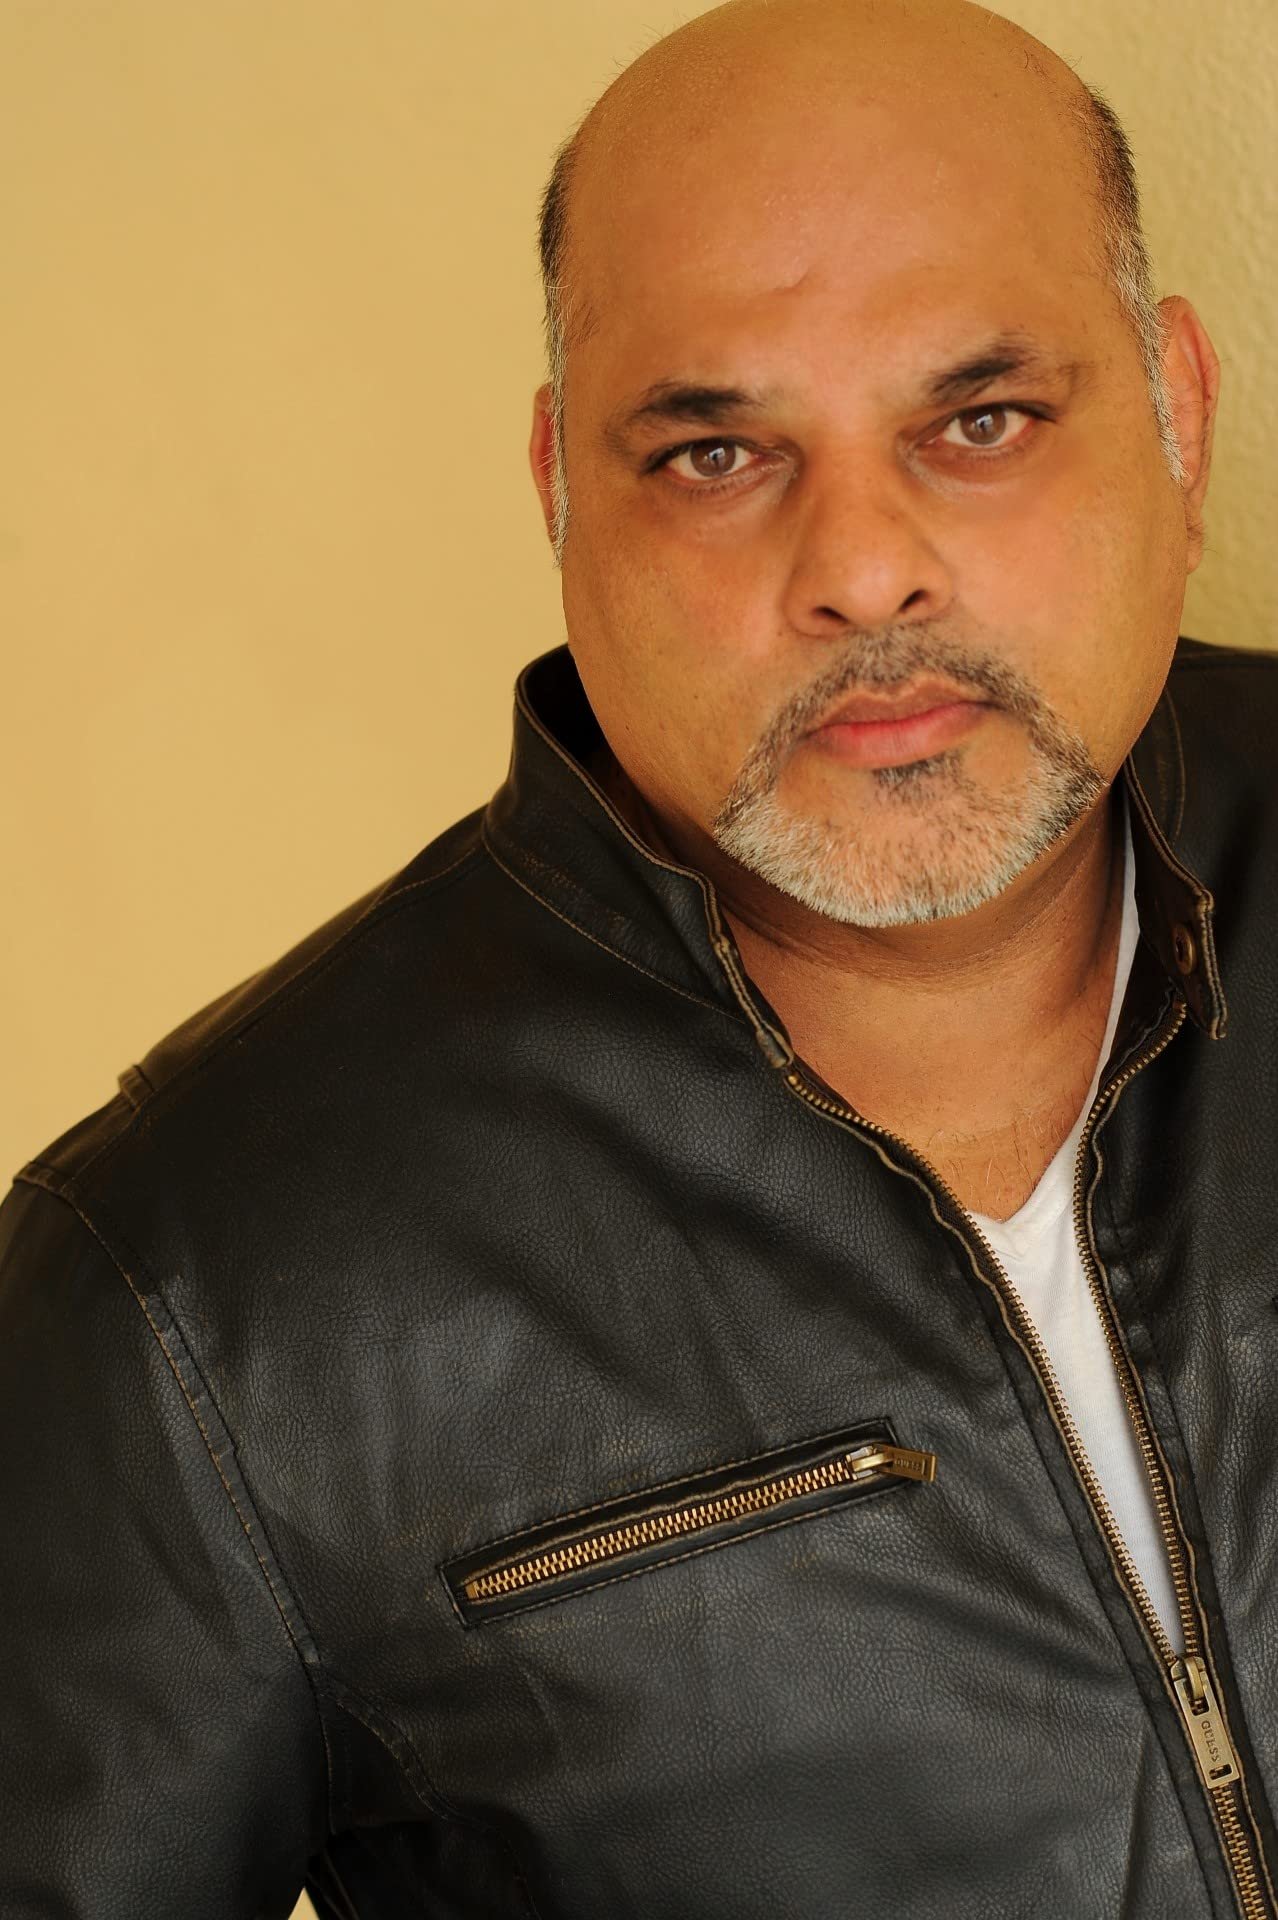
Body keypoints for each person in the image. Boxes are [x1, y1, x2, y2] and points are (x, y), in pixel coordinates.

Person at [1, 0, 1273, 1912]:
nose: (862, 567)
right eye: (714, 453)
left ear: (1178, 415)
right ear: (557, 493)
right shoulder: (192, 1293)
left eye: (979, 421)